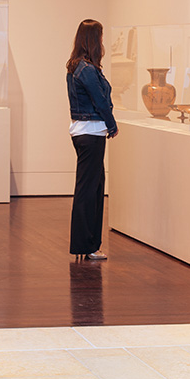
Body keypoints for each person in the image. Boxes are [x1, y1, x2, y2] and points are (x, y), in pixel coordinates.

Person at [66, 19, 118, 260]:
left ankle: (89, 245)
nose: (102, 42)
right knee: (89, 189)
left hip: (86, 132)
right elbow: (99, 99)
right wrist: (112, 123)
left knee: (94, 186)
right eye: (100, 37)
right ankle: (86, 245)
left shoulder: (79, 66)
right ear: (93, 40)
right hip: (91, 133)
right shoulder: (86, 69)